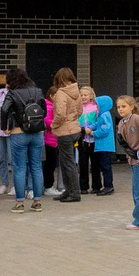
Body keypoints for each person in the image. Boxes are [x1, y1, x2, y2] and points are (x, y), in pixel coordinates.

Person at [0, 67, 48, 213]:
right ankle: (37, 201)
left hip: (18, 132)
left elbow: (4, 110)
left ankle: (20, 203)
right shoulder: (37, 91)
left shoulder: (12, 93)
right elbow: (44, 110)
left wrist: (4, 127)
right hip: (37, 133)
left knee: (19, 167)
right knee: (36, 167)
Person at [116, 95, 139, 230]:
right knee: (138, 189)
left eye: (123, 106)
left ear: (131, 107)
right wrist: (131, 153)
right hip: (133, 159)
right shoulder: (121, 123)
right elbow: (122, 141)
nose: (120, 109)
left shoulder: (137, 119)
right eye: (118, 107)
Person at [47, 68, 82, 203]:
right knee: (67, 161)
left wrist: (54, 125)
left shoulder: (61, 93)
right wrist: (72, 119)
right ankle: (69, 190)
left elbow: (60, 114)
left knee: (67, 163)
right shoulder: (76, 91)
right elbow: (80, 111)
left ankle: (74, 192)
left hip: (64, 131)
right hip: (74, 129)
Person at [80, 87, 115, 194]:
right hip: (88, 140)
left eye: (85, 95)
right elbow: (97, 123)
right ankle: (86, 186)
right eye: (81, 95)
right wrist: (90, 128)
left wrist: (92, 133)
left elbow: (104, 129)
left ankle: (106, 186)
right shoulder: (101, 114)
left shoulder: (103, 114)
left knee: (103, 165)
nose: (83, 97)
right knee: (85, 164)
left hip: (101, 143)